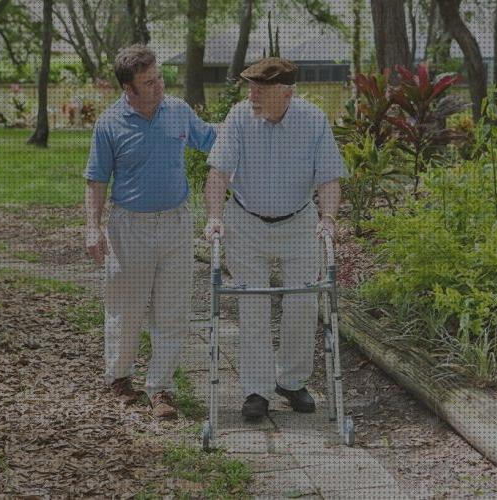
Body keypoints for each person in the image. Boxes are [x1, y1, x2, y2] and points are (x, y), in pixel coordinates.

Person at [203, 57, 346, 420]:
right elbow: (218, 173)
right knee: (253, 303)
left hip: (299, 221)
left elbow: (329, 177)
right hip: (246, 221)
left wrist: (328, 218)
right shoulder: (239, 116)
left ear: (286, 93)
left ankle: (292, 381)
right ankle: (256, 389)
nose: (251, 95)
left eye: (260, 89)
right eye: (250, 87)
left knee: (303, 302)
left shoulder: (313, 119)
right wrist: (215, 217)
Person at [84, 45, 216, 419]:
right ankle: (120, 378)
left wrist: (250, 128)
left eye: (159, 78)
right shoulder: (109, 123)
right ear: (128, 88)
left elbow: (213, 140)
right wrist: (92, 228)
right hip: (130, 227)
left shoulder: (178, 111)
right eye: (149, 82)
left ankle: (161, 389)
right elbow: (96, 179)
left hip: (176, 223)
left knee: (172, 310)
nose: (159, 86)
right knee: (126, 309)